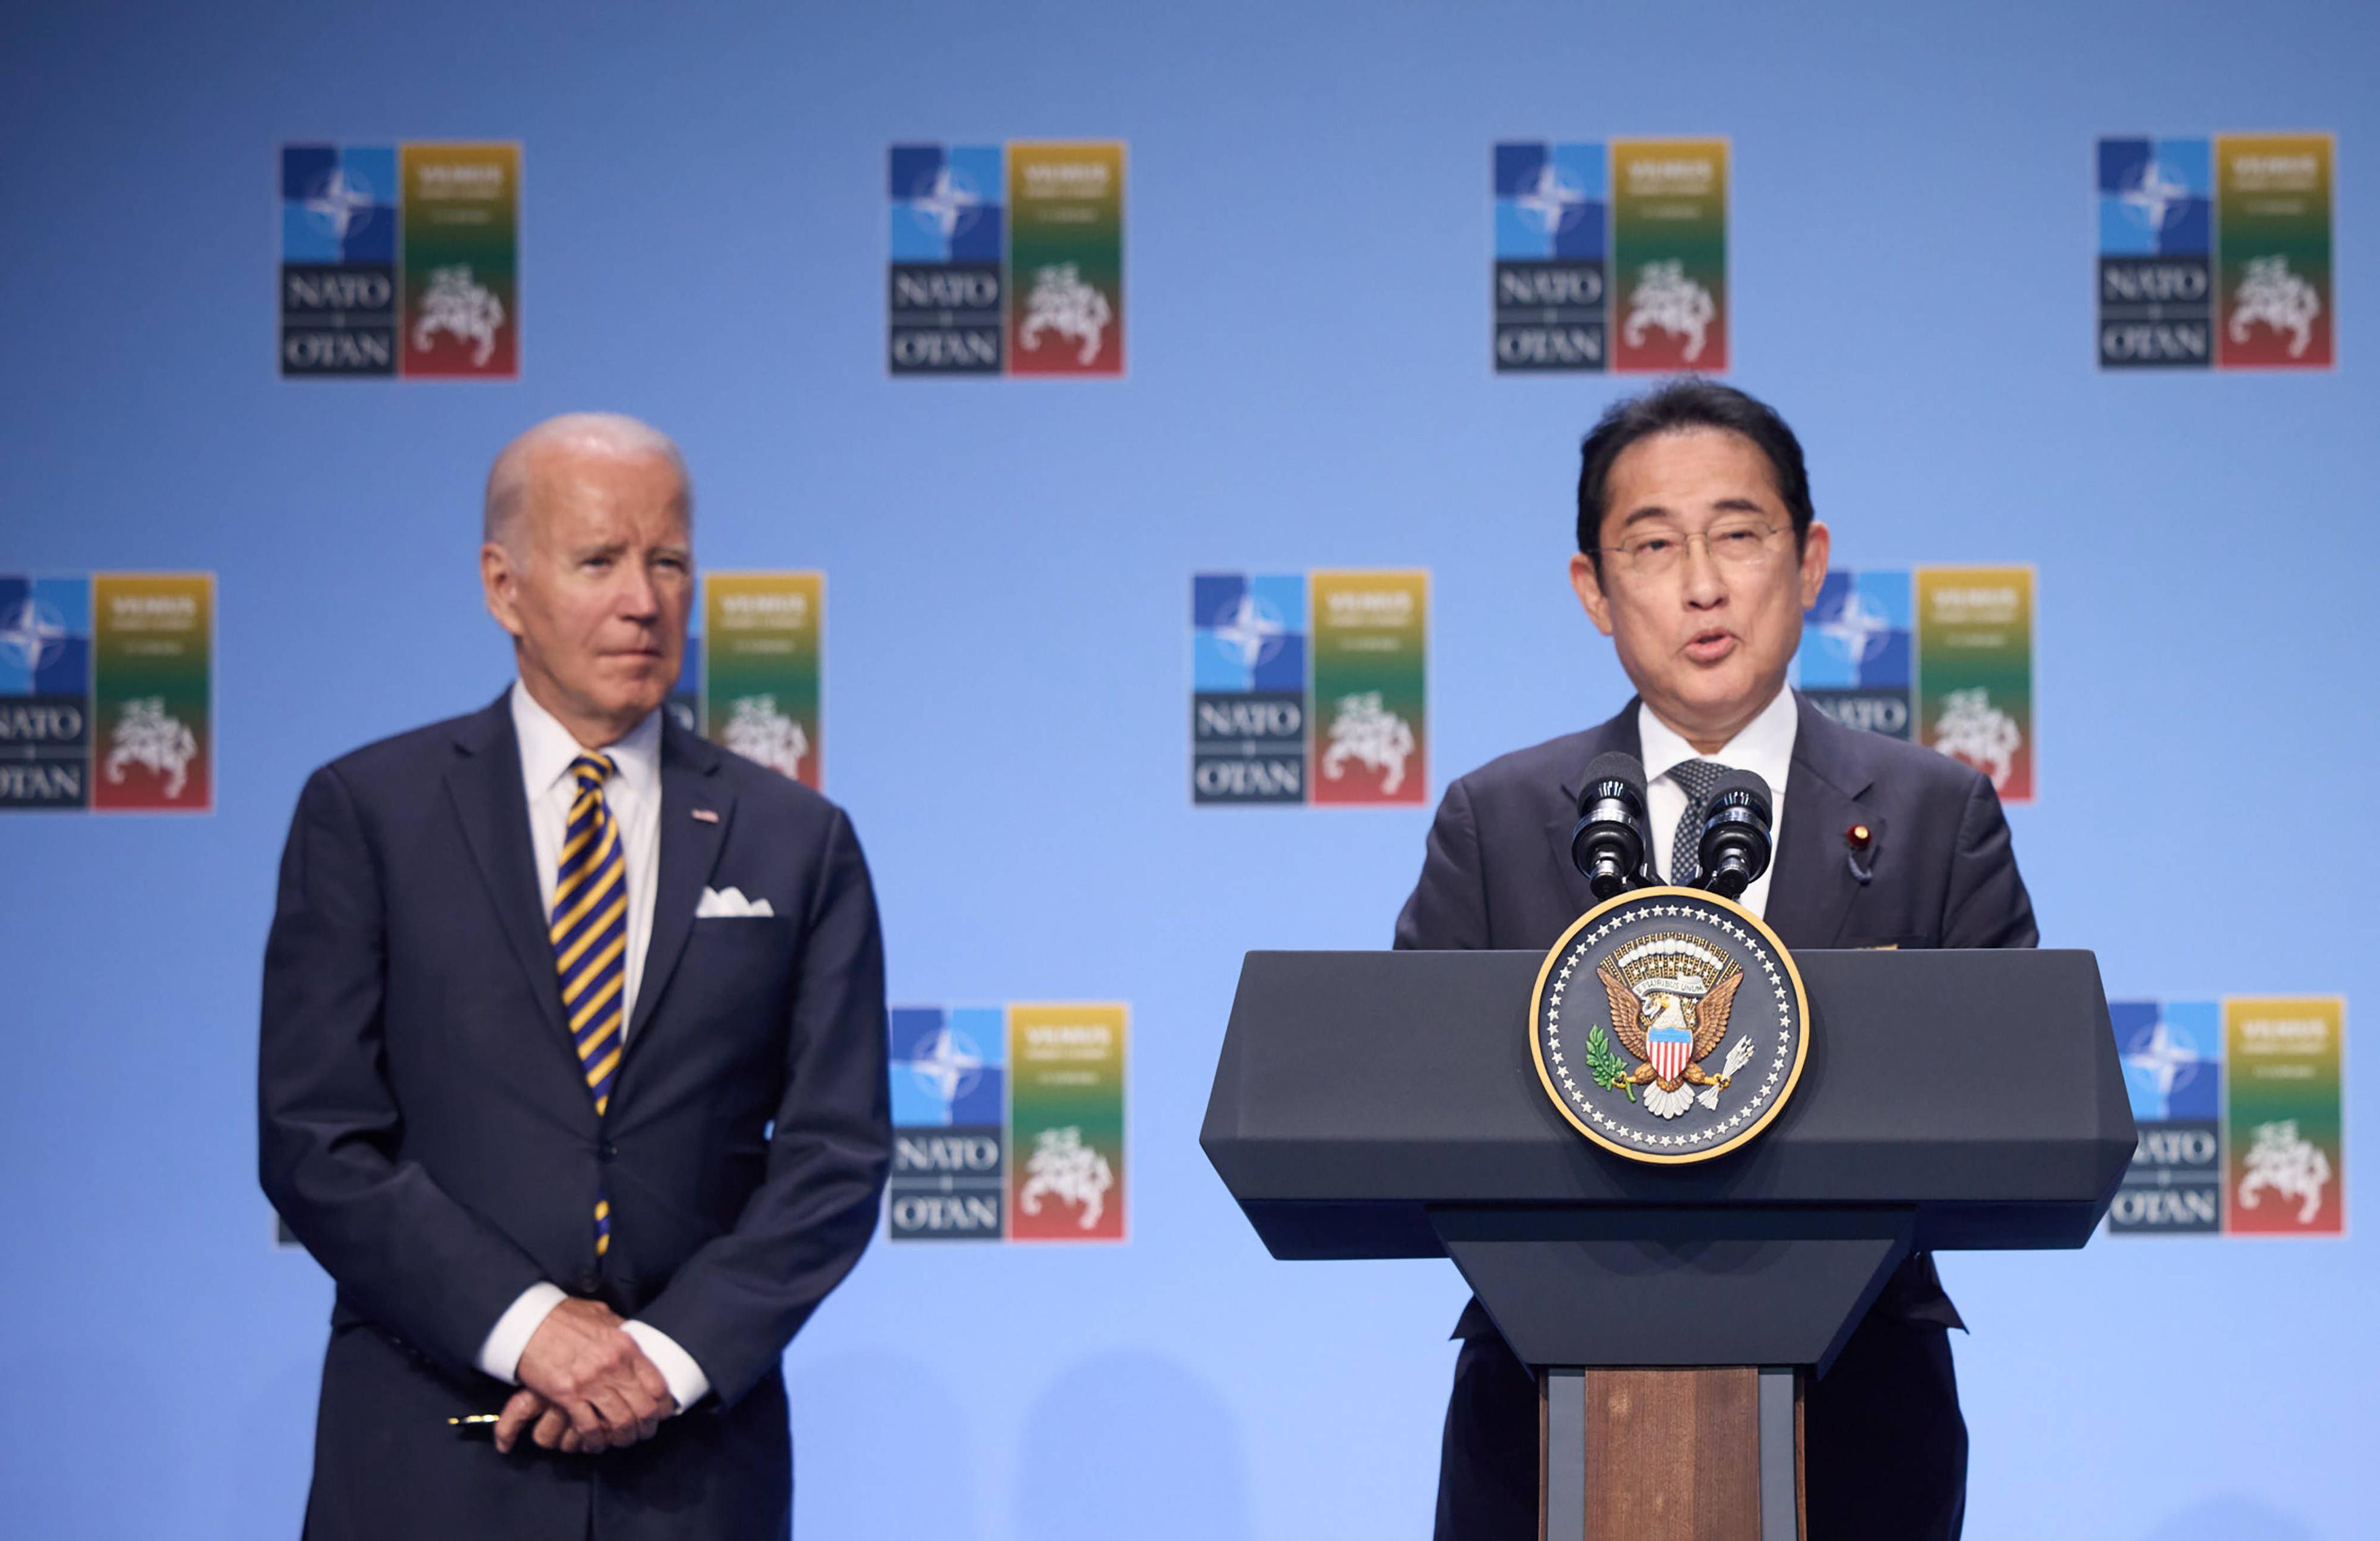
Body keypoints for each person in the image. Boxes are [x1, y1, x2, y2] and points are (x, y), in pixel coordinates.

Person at [1398, 380, 2032, 1541]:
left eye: (1739, 535)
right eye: (1652, 544)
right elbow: (1402, 1096)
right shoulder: (1496, 820)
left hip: (1862, 1419)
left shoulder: (1939, 816)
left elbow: (2016, 1097)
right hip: (1539, 1420)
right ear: (1593, 587)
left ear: (1809, 558)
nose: (1702, 583)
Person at [260, 413, 891, 1539]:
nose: (643, 600)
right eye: (599, 560)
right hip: (430, 1453)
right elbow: (317, 1137)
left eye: (669, 562)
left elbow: (837, 1158)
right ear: (504, 587)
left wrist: (662, 1355)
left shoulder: (798, 840)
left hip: (693, 1470)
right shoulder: (371, 814)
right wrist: (527, 1325)